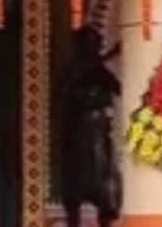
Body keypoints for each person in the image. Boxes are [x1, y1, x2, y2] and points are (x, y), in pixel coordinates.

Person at [60, 26, 121, 227]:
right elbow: (63, 91)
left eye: (95, 44)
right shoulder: (72, 69)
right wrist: (107, 56)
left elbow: (116, 88)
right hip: (78, 137)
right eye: (89, 44)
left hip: (99, 138)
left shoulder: (99, 71)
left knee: (105, 193)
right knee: (74, 193)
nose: (93, 49)